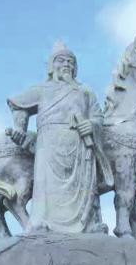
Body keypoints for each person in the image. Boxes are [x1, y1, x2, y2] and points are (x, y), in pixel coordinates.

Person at [8, 40, 110, 234]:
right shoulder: (42, 89)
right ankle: (41, 221)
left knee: (84, 186)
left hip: (79, 146)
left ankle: (89, 223)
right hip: (49, 144)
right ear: (51, 66)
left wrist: (91, 125)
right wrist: (20, 128)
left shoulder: (85, 92)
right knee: (46, 185)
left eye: (71, 62)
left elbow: (98, 117)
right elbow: (18, 105)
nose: (66, 64)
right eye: (61, 60)